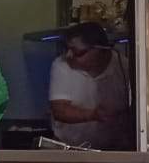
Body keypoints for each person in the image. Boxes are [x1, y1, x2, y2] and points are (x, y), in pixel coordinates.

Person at [49, 22, 131, 150]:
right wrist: (93, 115)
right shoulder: (61, 65)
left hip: (114, 149)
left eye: (77, 52)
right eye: (67, 49)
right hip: (69, 148)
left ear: (99, 50)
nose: (69, 55)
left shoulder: (124, 67)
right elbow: (59, 110)